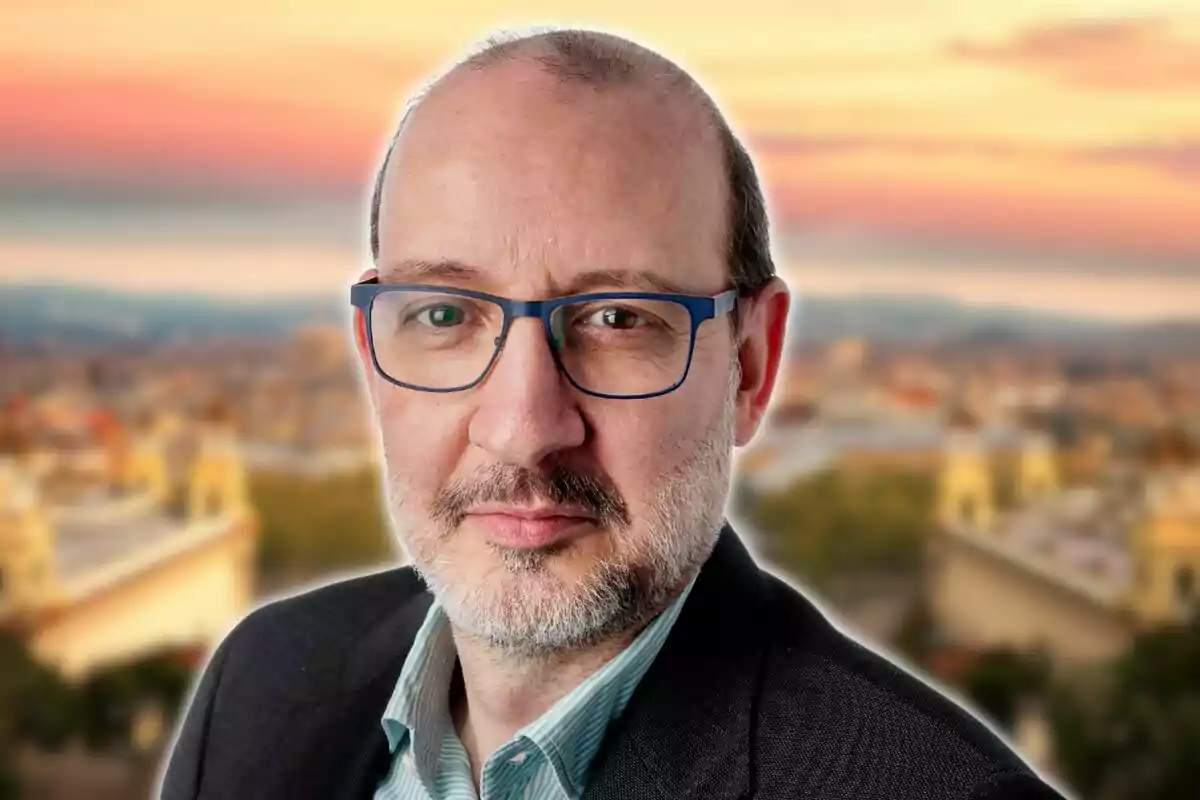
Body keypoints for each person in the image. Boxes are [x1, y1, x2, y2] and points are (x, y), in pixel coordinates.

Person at [160, 28, 1068, 800]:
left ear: (750, 364)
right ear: (371, 354)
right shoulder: (261, 678)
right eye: (444, 314)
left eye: (617, 320)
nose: (522, 425)